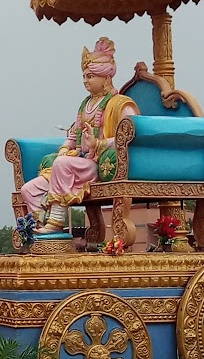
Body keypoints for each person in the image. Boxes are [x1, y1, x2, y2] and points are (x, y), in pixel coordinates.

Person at [19, 36, 138, 235]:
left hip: (96, 165)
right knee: (29, 189)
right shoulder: (86, 105)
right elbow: (73, 135)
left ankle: (56, 221)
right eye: (84, 76)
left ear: (106, 77)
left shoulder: (121, 104)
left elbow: (131, 136)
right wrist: (65, 148)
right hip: (77, 164)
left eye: (90, 76)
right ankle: (44, 232)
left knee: (61, 165)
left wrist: (98, 143)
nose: (85, 81)